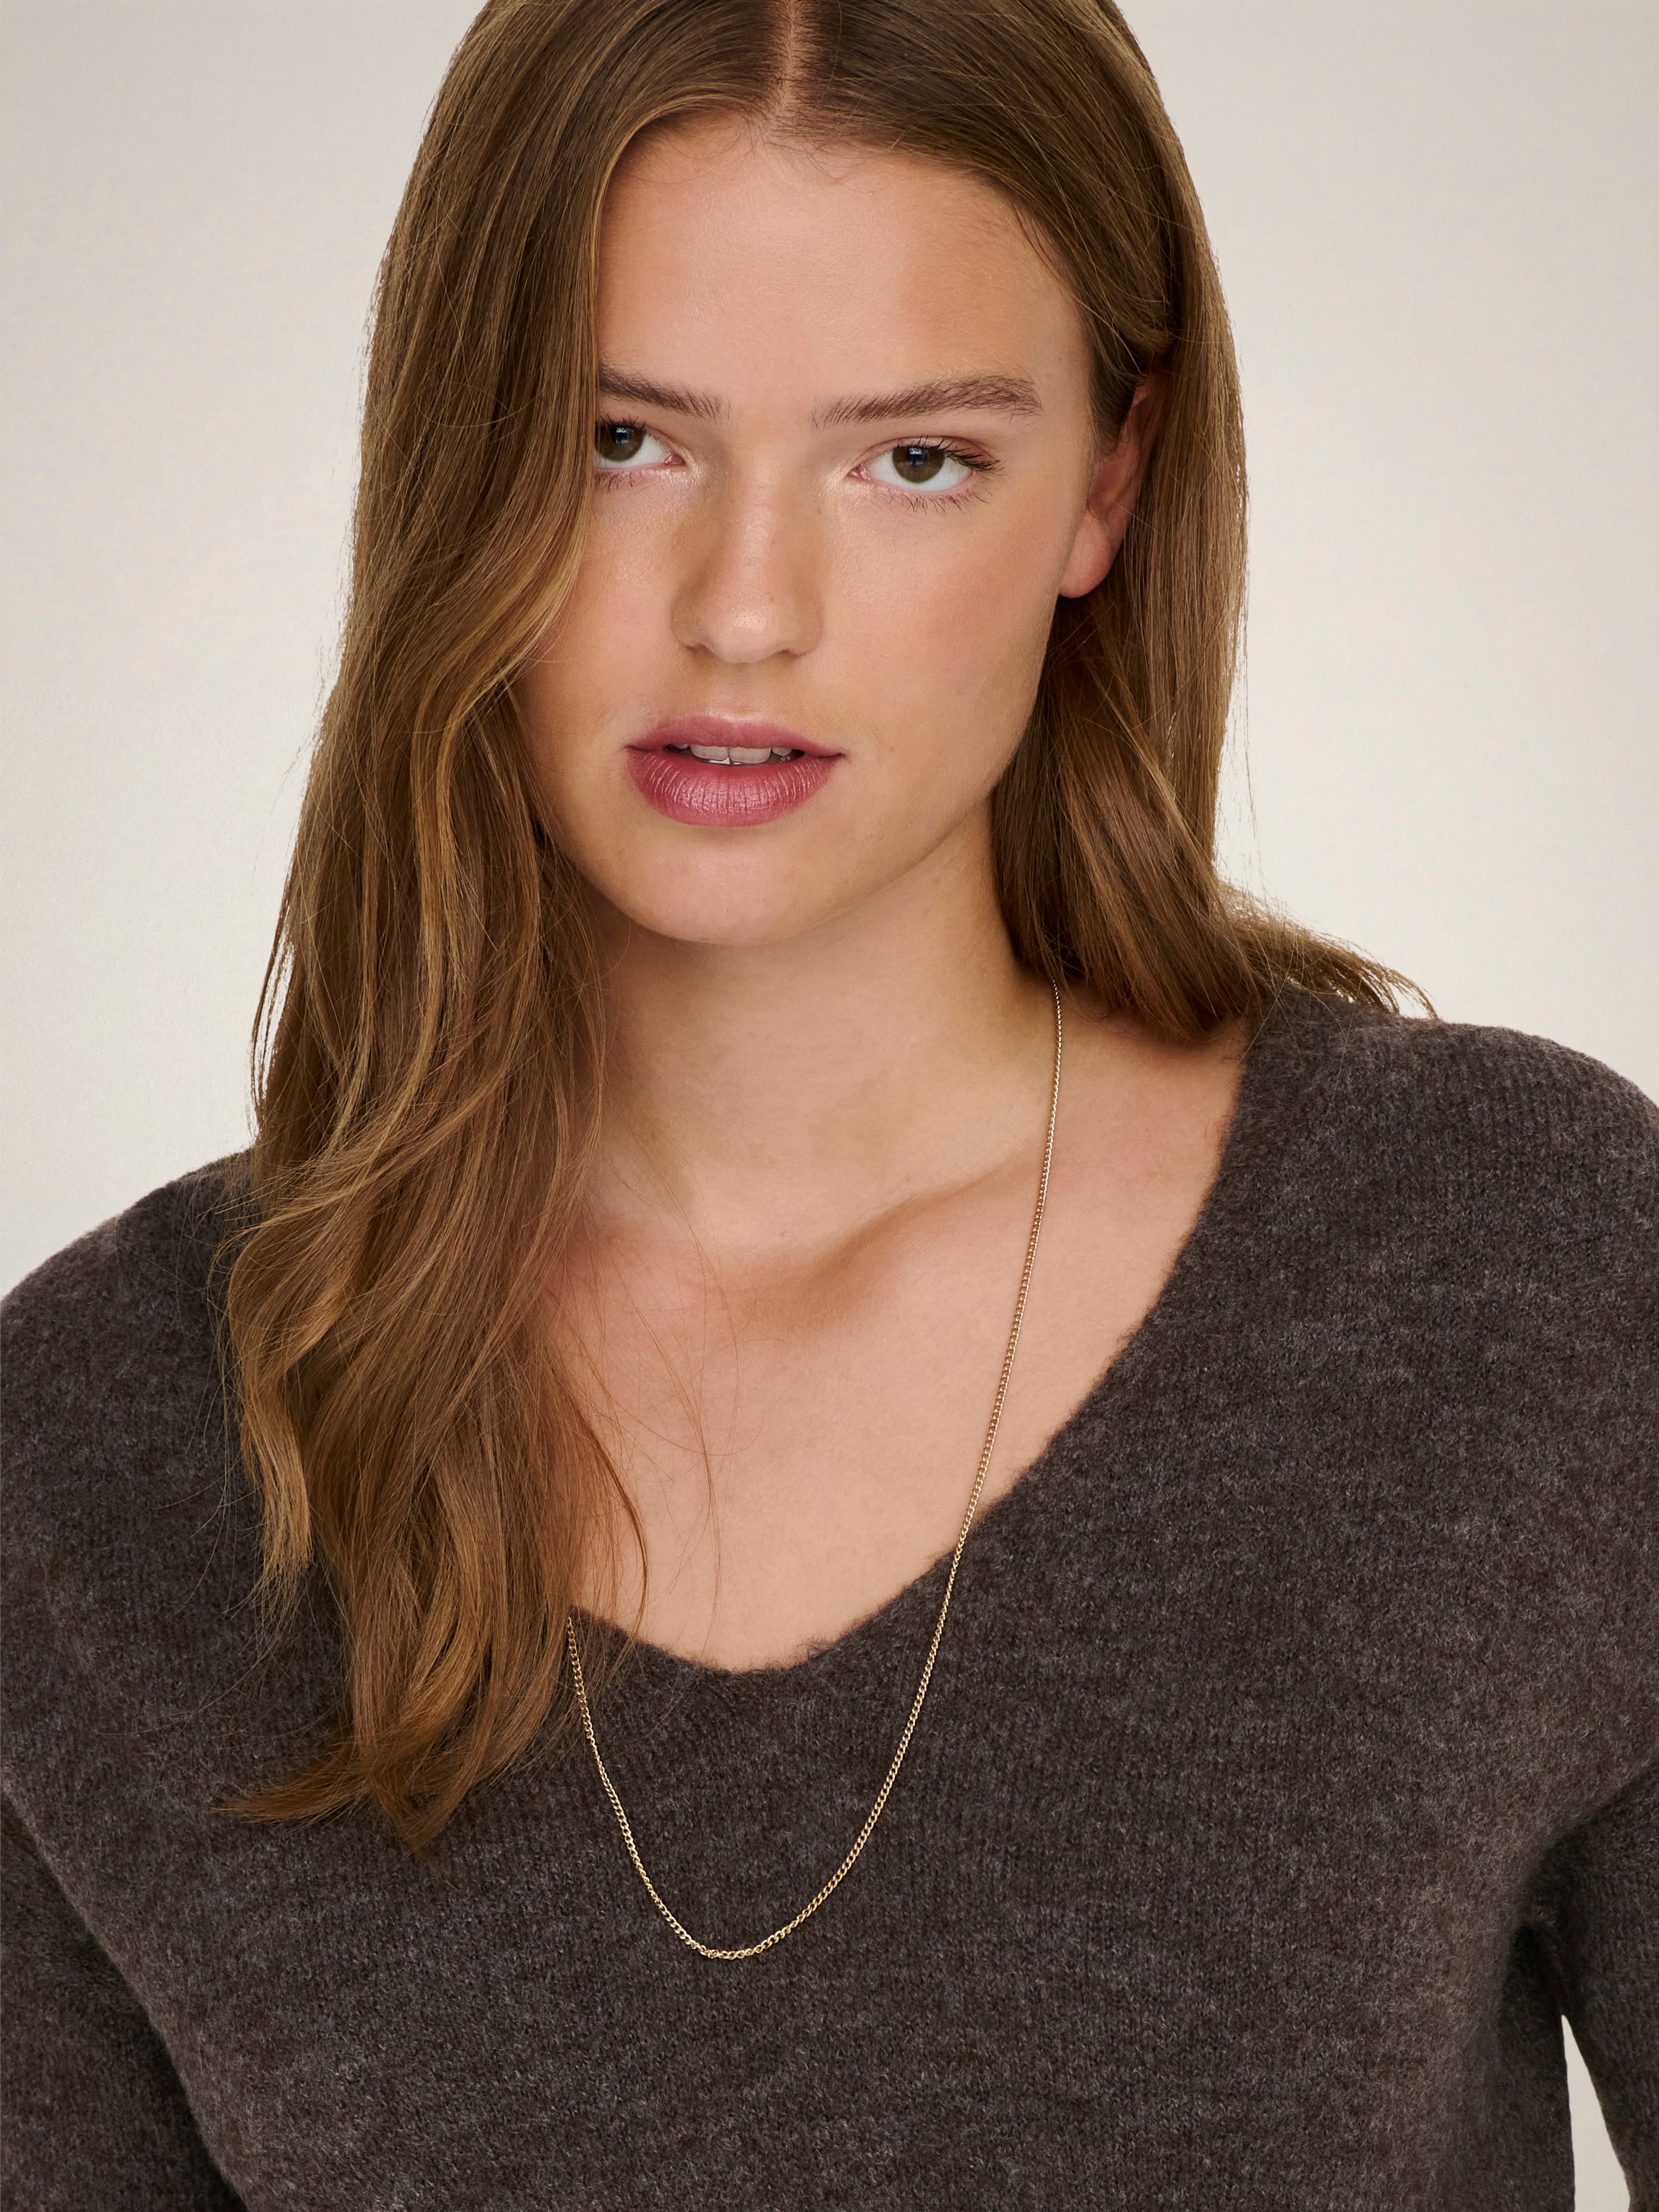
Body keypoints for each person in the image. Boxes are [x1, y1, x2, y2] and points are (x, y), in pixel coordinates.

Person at [3, 0, 1653, 2203]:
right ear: (448, 452)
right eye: (620, 438)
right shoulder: (94, 1456)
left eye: (913, 460)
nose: (744, 611)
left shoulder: (1511, 1276)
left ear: (1108, 482)